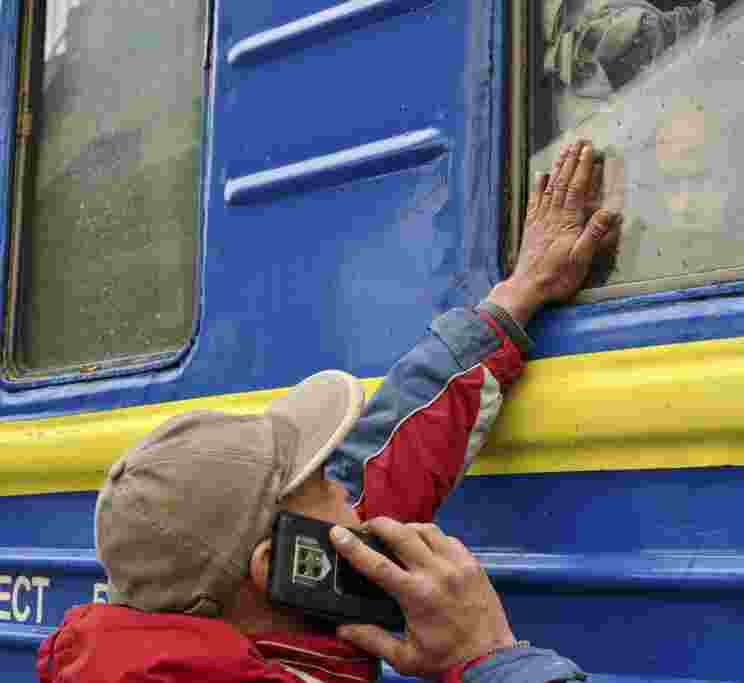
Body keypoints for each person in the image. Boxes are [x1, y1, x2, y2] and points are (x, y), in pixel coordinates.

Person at [36, 141, 621, 683]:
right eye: (323, 481)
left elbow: (389, 451)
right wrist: (488, 657)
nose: (352, 492)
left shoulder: (247, 625)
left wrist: (516, 295)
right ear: (288, 564)